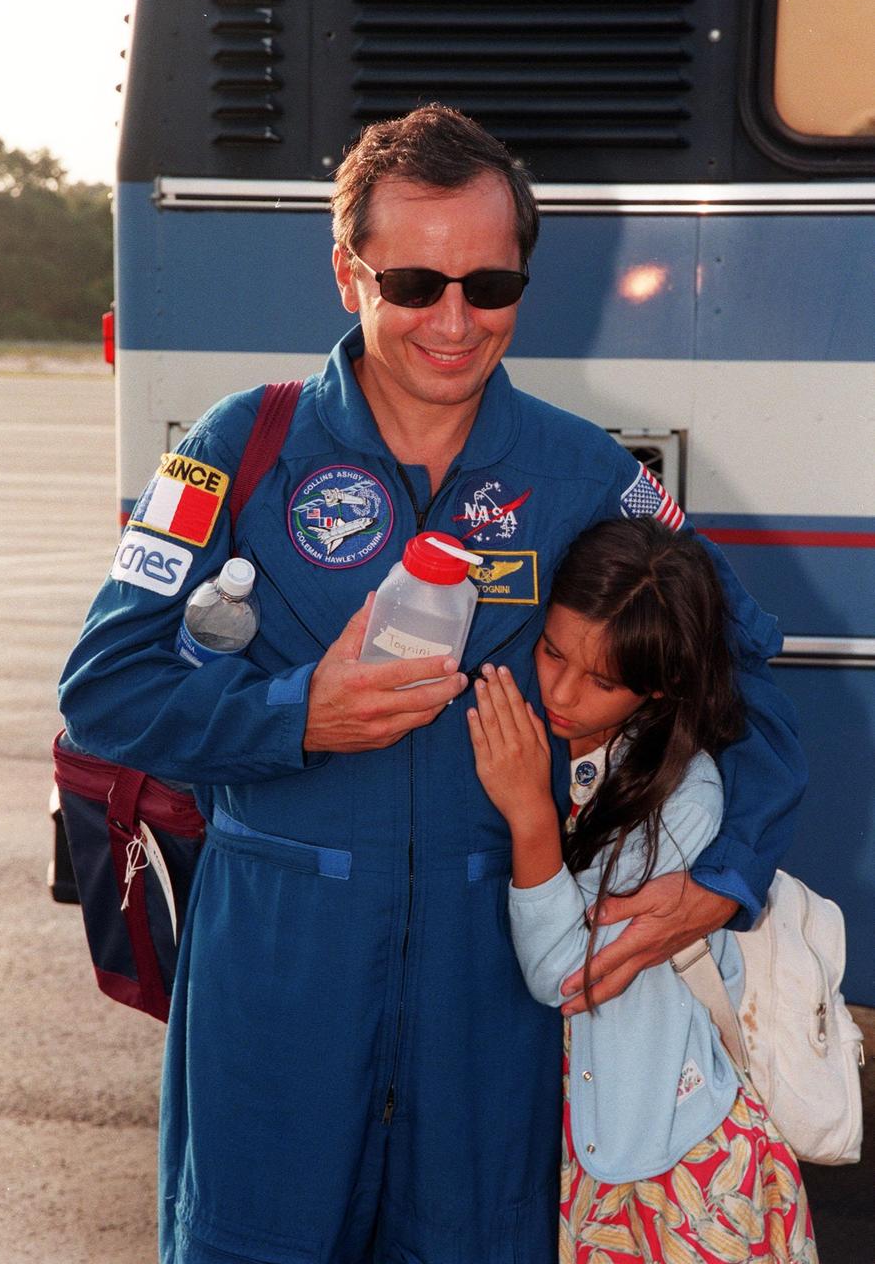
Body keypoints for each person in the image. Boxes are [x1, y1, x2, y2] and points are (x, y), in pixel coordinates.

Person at [59, 105, 806, 1263]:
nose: (453, 321)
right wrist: (292, 714)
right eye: (412, 281)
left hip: (491, 981)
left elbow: (740, 679)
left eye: (488, 283)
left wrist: (728, 870)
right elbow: (105, 688)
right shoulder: (236, 445)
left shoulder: (584, 472)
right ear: (345, 272)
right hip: (278, 956)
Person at [467, 517, 818, 1264]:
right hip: (563, 1153)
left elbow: (566, 973)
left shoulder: (685, 796)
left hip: (671, 1170)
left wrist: (531, 814)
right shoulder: (546, 741)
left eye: (602, 681)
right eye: (552, 650)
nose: (560, 692)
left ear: (659, 685)